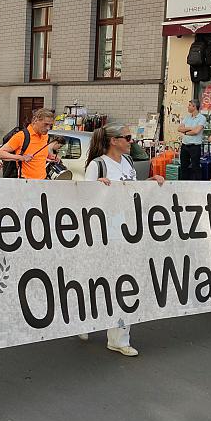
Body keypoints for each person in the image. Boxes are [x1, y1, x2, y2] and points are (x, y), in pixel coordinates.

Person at [81, 125, 166, 357]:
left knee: (124, 281)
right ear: (113, 141)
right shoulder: (97, 165)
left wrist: (151, 180)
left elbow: (132, 188)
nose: (131, 141)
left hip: (128, 230)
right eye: (127, 137)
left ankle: (119, 336)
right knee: (99, 279)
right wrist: (98, 187)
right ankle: (85, 319)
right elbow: (85, 200)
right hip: (104, 233)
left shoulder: (127, 161)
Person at [0, 108, 60, 180]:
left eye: (50, 125)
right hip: (25, 182)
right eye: (46, 124)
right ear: (35, 120)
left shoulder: (45, 136)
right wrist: (21, 158)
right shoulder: (21, 136)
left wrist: (50, 156)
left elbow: (38, 155)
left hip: (42, 181)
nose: (48, 128)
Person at [177, 99, 207, 180]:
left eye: (189, 105)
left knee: (195, 167)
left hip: (195, 146)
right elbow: (179, 129)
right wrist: (190, 128)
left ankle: (197, 185)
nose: (188, 107)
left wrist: (185, 132)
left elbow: (196, 131)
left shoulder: (202, 118)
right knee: (183, 166)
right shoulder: (187, 117)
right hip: (185, 145)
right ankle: (183, 183)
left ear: (194, 106)